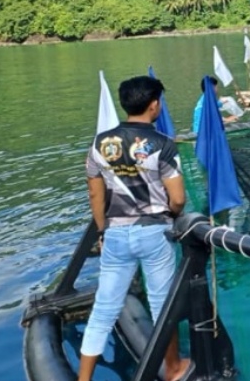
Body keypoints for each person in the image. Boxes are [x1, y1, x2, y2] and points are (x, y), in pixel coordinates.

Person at [80, 75, 190, 381]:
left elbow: (94, 193)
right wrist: (172, 212)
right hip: (154, 231)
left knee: (103, 310)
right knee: (161, 305)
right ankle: (173, 369)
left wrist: (103, 230)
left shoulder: (100, 143)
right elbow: (178, 198)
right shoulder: (163, 145)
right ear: (154, 105)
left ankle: (83, 378)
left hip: (115, 232)